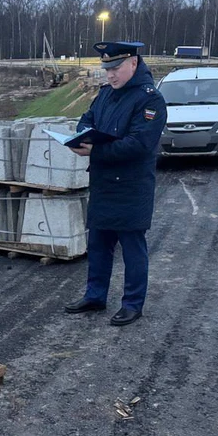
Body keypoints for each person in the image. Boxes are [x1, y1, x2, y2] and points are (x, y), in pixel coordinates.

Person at [65, 41, 167, 326]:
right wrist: (81, 136)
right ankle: (95, 295)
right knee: (98, 244)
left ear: (133, 63)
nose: (110, 75)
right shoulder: (106, 94)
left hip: (131, 187)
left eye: (116, 68)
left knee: (133, 248)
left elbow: (139, 145)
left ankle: (133, 304)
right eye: (106, 68)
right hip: (104, 183)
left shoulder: (150, 100)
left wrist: (95, 150)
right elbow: (85, 121)